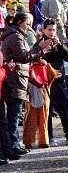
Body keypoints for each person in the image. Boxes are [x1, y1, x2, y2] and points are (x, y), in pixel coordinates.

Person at [2, 13, 54, 154]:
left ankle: (13, 144)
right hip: (15, 79)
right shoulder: (15, 37)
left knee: (14, 114)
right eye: (27, 23)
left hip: (17, 78)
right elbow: (24, 57)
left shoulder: (16, 35)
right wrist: (40, 49)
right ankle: (13, 145)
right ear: (19, 22)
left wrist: (40, 50)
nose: (29, 26)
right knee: (14, 114)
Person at [40, 19, 68, 145]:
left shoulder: (58, 43)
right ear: (44, 30)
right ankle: (49, 137)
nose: (52, 32)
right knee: (47, 110)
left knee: (65, 108)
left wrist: (60, 45)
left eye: (54, 30)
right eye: (49, 30)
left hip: (59, 80)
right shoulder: (40, 43)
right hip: (46, 81)